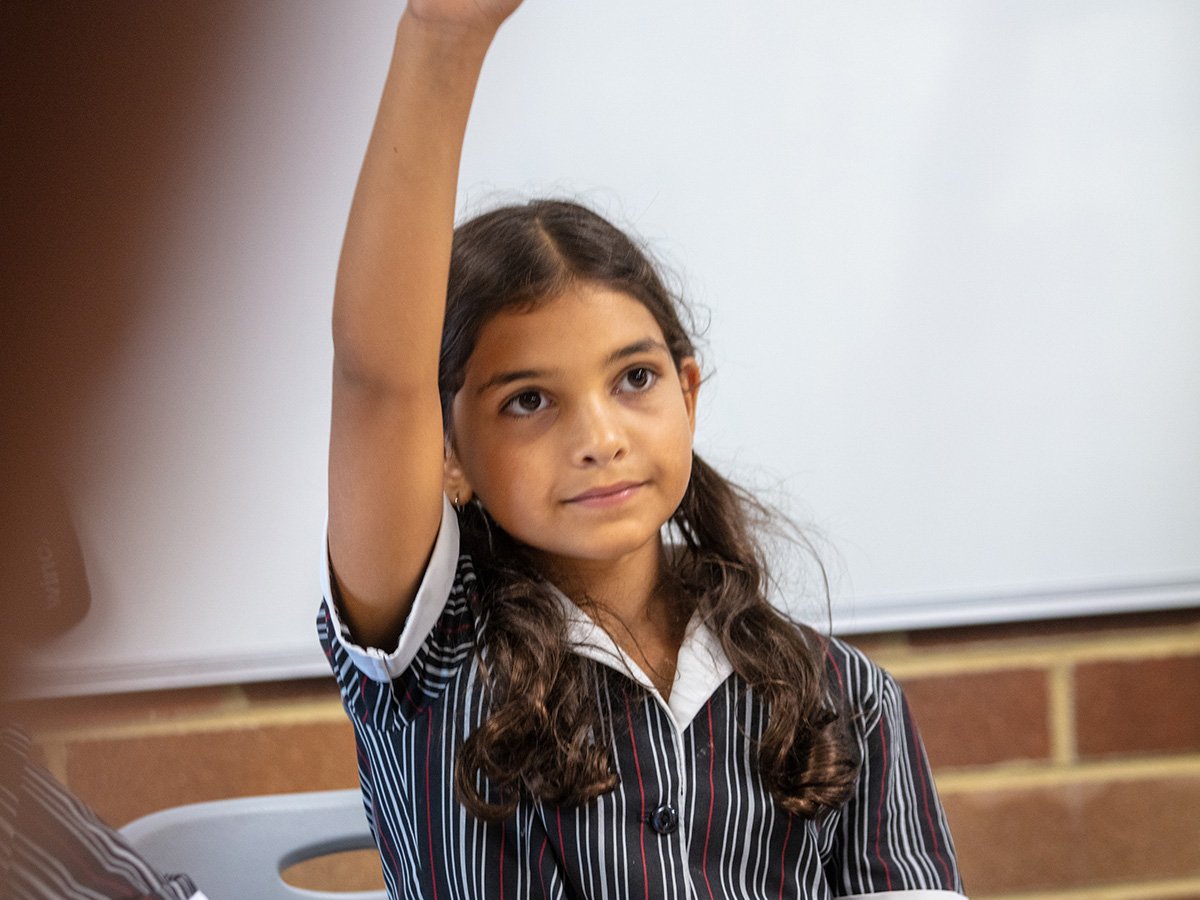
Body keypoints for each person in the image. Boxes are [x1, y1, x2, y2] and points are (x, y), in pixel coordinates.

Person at [319, 2, 966, 897]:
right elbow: (377, 380)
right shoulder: (437, 661)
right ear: (446, 453)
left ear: (688, 395)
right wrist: (442, 39)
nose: (600, 439)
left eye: (634, 380)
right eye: (529, 401)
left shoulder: (844, 696)